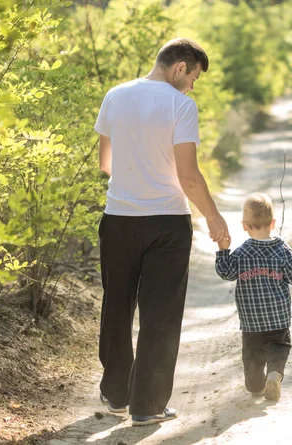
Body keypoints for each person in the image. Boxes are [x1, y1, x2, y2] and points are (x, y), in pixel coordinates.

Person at [94, 38, 230, 427]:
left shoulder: (114, 96)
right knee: (160, 314)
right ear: (180, 67)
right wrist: (214, 218)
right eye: (194, 78)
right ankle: (147, 405)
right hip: (167, 222)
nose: (192, 87)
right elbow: (187, 176)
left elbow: (107, 163)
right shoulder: (181, 105)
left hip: (118, 217)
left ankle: (116, 394)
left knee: (117, 306)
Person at [214, 193, 292, 401]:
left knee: (252, 356)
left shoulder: (241, 252)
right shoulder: (282, 249)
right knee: (279, 347)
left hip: (251, 322)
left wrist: (223, 251)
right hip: (278, 319)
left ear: (244, 225)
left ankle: (256, 387)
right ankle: (274, 374)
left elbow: (226, 273)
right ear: (272, 223)